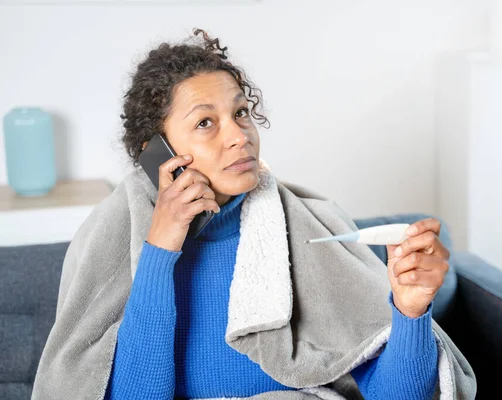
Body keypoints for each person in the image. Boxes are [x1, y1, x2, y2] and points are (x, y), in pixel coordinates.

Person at [32, 29, 475, 400]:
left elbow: (398, 396)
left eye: (241, 113)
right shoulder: (112, 237)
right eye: (205, 122)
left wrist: (410, 311)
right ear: (158, 153)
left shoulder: (311, 225)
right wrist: (161, 248)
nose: (239, 136)